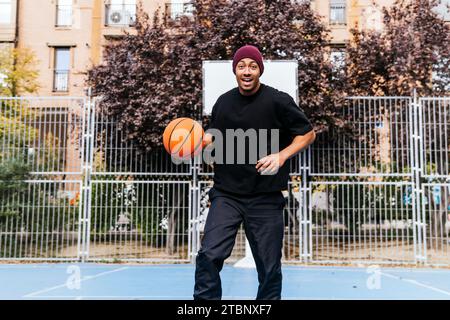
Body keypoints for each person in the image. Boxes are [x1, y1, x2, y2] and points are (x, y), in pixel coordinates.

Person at [193, 45, 316, 300]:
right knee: (208, 255)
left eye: (252, 66)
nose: (246, 71)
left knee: (269, 267)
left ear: (260, 69)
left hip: (266, 197)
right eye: (241, 66)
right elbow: (213, 138)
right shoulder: (223, 102)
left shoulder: (278, 101)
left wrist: (280, 156)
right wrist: (194, 142)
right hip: (227, 195)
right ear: (234, 70)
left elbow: (307, 133)